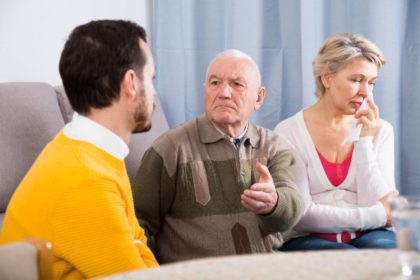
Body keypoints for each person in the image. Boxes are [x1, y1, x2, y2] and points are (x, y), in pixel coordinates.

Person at [0, 20, 159, 278]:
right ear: (131, 82)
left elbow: (137, 236)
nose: (154, 92)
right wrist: (137, 246)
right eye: (150, 78)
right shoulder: (86, 180)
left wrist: (136, 245)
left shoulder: (88, 149)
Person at [133, 49, 303, 263]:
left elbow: (292, 210)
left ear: (258, 97)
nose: (224, 93)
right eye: (215, 83)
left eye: (237, 84)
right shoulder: (169, 149)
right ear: (205, 90)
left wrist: (274, 203)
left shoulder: (274, 146)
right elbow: (138, 224)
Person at [274, 33, 397, 250]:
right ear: (327, 78)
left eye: (371, 83)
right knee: (342, 260)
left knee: (388, 254)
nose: (366, 92)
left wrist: (364, 143)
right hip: (306, 237)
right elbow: (301, 215)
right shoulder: (288, 132)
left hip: (372, 233)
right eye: (356, 80)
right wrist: (378, 214)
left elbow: (378, 201)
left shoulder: (381, 130)